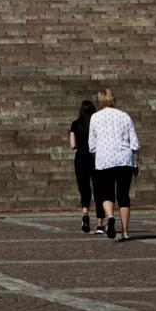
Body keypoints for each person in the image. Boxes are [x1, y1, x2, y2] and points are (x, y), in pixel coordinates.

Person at [86, 89, 140, 242]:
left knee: (106, 193)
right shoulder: (124, 116)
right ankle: (124, 231)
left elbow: (92, 145)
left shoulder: (95, 117)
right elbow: (134, 143)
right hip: (124, 159)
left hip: (105, 160)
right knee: (123, 195)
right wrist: (136, 162)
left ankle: (110, 217)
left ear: (100, 101)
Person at [68, 99, 99, 234]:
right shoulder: (97, 124)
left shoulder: (75, 124)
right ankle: (100, 222)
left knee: (84, 187)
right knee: (98, 188)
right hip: (95, 157)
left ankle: (85, 214)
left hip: (80, 157)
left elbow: (72, 145)